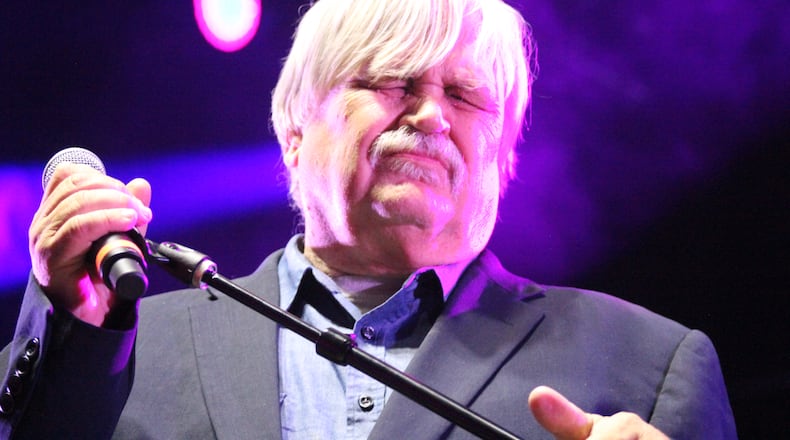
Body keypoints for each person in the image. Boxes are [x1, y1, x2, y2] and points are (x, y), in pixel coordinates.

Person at [0, 0, 736, 438]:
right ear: (292, 129)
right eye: (392, 80)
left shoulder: (652, 365)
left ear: (505, 158)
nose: (429, 117)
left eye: (467, 96)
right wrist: (69, 332)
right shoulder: (119, 355)